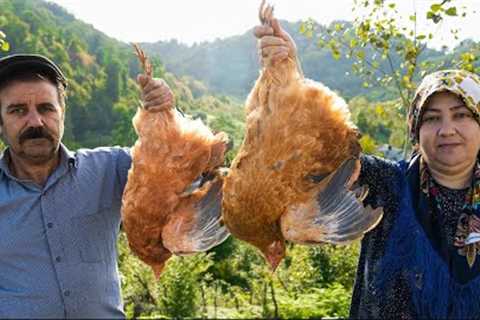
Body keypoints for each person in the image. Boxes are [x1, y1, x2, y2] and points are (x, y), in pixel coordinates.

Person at [255, 18, 480, 318]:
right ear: (416, 130)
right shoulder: (388, 184)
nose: (447, 129)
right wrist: (290, 73)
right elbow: (323, 151)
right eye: (432, 118)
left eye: (461, 115)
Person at [0, 53, 173, 318]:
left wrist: (167, 113)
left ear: (62, 113)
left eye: (46, 108)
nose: (35, 122)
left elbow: (178, 170)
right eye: (18, 110)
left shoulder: (111, 168)